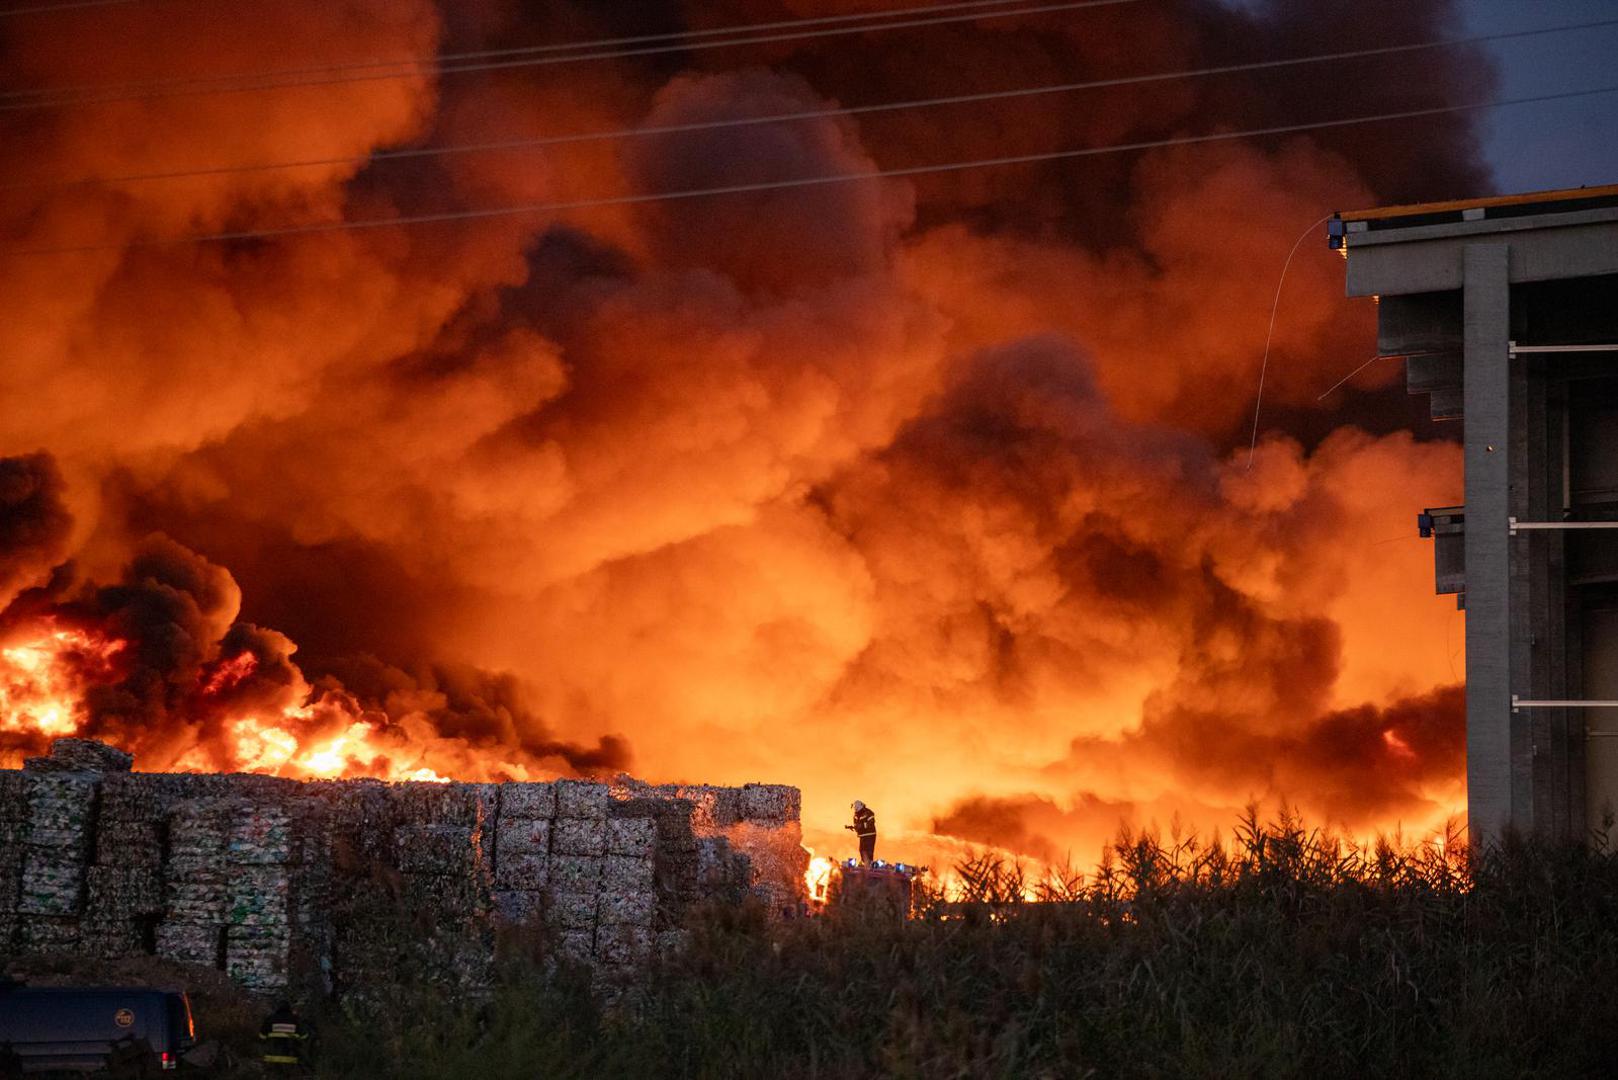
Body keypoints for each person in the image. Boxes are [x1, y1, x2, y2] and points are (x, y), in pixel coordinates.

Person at [258, 1000, 312, 1071]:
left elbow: (261, 1036)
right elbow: (305, 1036)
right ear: (289, 1008)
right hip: (291, 1058)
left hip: (272, 1058)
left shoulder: (270, 1019)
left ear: (277, 1008)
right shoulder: (295, 1019)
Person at [846, 800, 877, 864]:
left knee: (868, 850)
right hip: (862, 835)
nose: (856, 810)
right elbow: (856, 824)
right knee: (862, 850)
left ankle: (869, 863)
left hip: (870, 834)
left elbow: (870, 823)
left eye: (857, 809)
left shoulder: (869, 813)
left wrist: (861, 826)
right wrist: (855, 827)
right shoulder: (856, 815)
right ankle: (864, 862)